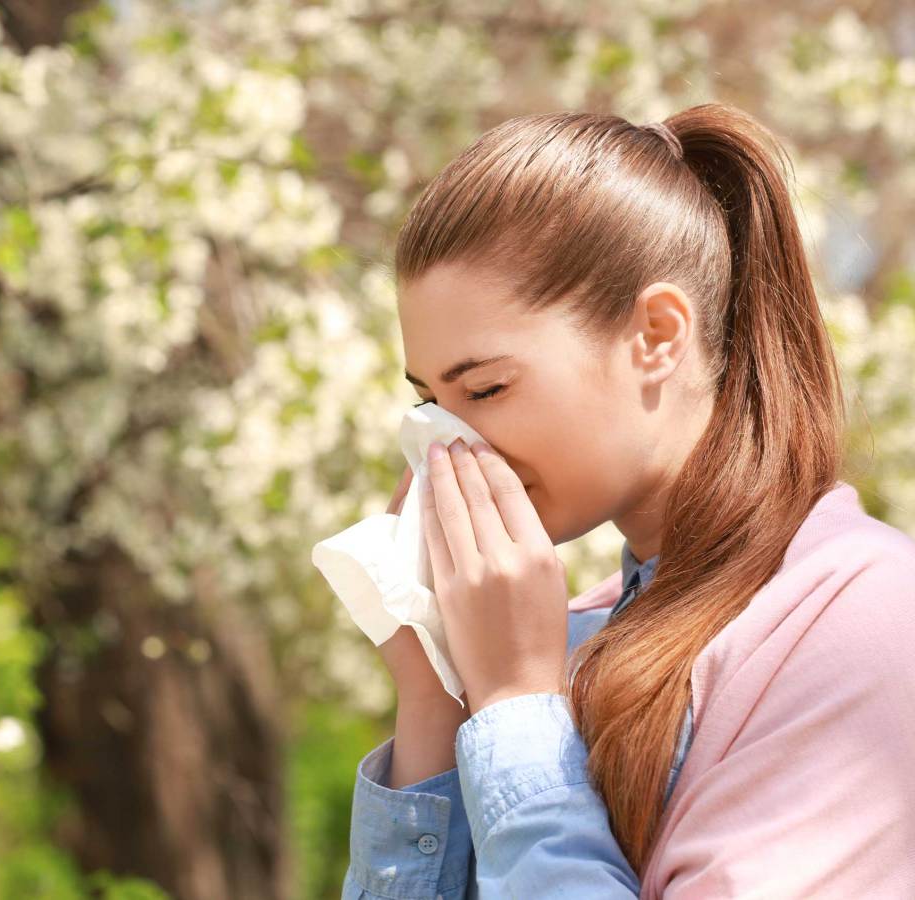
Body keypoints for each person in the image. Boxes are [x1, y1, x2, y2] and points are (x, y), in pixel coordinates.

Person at [340, 102, 915, 899]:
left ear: (656, 334)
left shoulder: (860, 618)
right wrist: (436, 695)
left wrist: (514, 704)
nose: (449, 446)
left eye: (486, 387)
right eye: (431, 402)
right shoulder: (569, 639)